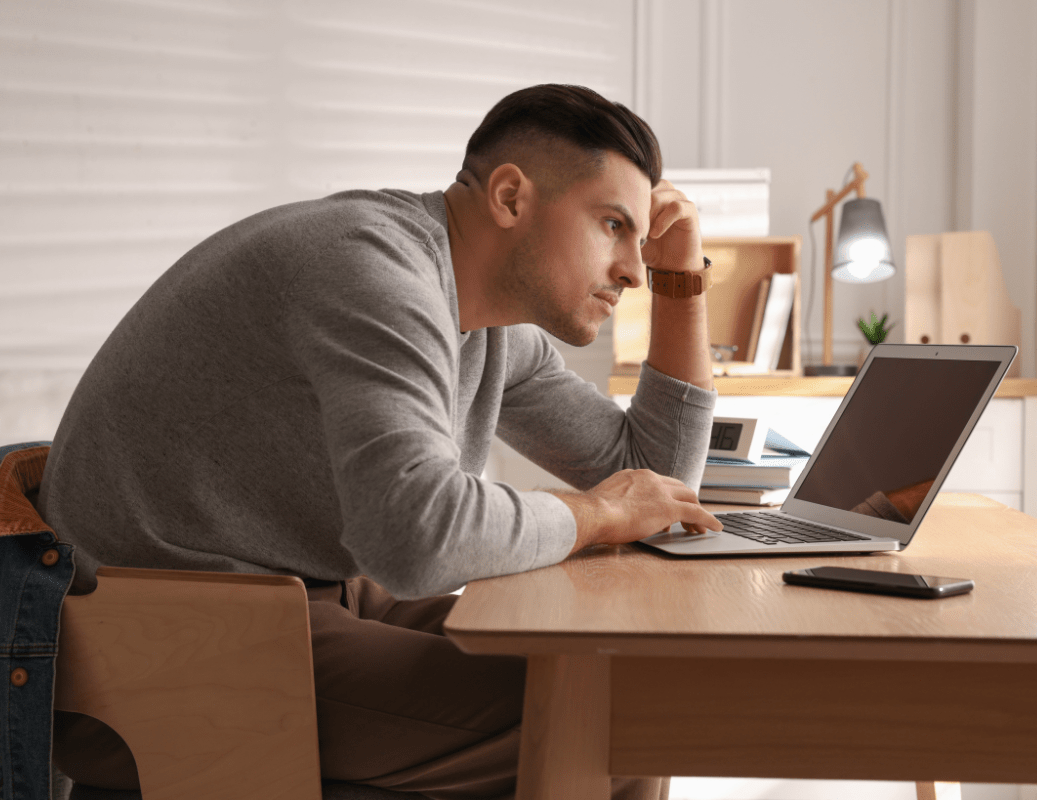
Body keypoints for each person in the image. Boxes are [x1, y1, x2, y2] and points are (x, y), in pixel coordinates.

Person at [39, 84, 721, 799]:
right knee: (610, 722)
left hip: (298, 596)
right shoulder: (373, 272)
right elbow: (417, 534)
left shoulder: (486, 324)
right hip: (162, 642)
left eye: (640, 243)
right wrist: (594, 515)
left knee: (618, 679)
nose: (632, 270)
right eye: (613, 224)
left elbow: (656, 485)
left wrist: (683, 281)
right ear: (512, 197)